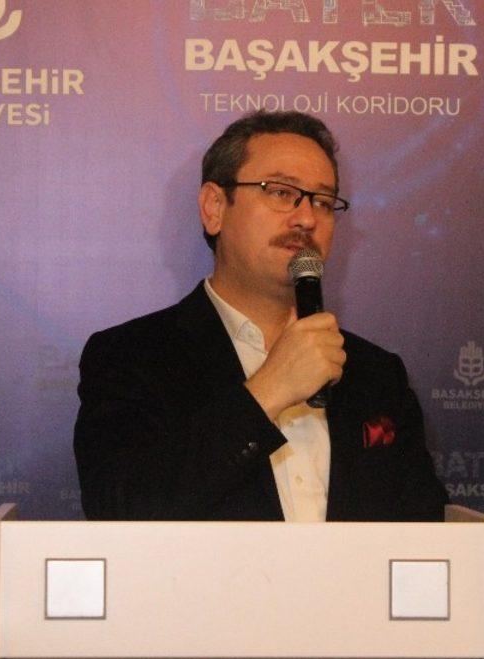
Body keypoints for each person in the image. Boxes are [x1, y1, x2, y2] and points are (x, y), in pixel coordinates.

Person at [73, 110, 447, 521]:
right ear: (214, 208)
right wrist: (268, 391)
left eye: (323, 202)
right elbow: (119, 508)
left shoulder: (376, 374)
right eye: (281, 192)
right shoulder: (130, 357)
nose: (307, 218)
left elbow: (428, 528)